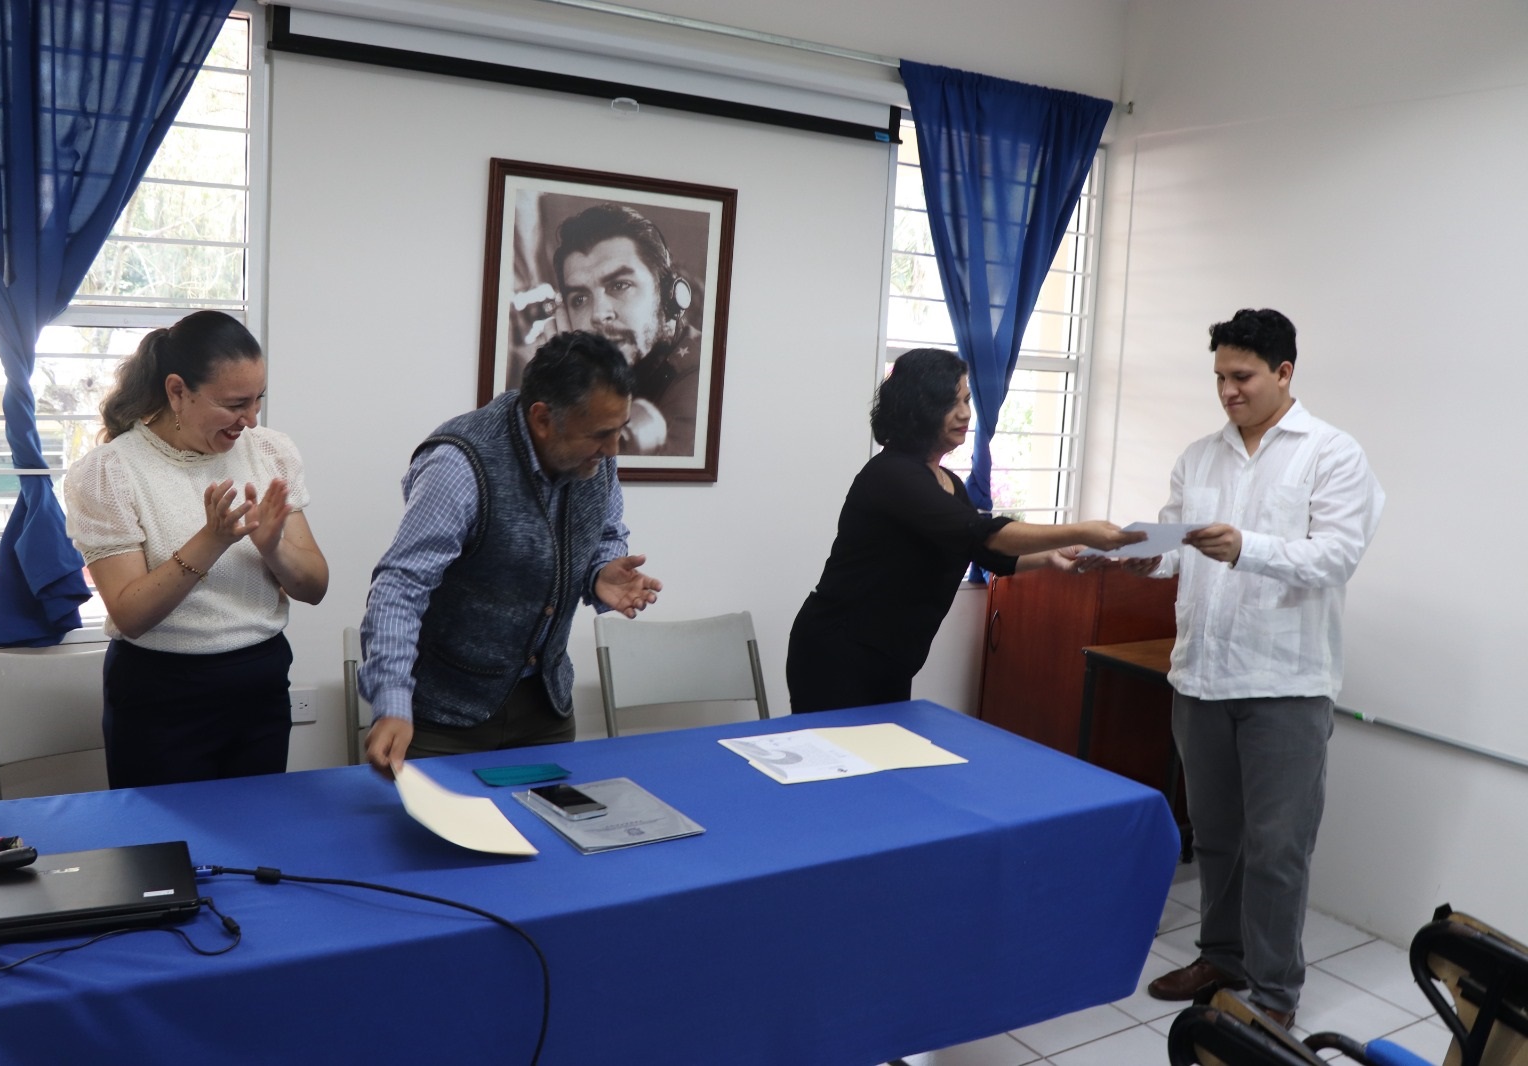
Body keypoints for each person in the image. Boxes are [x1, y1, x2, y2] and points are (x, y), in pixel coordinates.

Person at [1129, 309, 1384, 1028]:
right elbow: (1179, 545)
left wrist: (1247, 547)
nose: (1227, 391)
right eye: (1219, 377)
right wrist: (1147, 558)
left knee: (1277, 849)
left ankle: (1273, 995)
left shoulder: (1332, 454)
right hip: (1200, 677)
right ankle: (1221, 957)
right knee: (1216, 837)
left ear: (1284, 372)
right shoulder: (1199, 456)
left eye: (1241, 377)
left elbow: (1336, 557)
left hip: (1285, 684)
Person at [358, 330, 662, 778]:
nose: (614, 448)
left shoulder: (597, 453)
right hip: (443, 720)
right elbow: (400, 589)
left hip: (545, 710)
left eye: (620, 430)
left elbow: (607, 531)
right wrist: (392, 703)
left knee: (550, 823)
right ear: (542, 418)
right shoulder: (459, 464)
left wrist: (600, 569)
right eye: (601, 434)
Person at [785, 347, 1145, 714]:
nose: (965, 413)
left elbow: (987, 552)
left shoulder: (948, 484)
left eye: (967, 400)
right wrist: (1079, 531)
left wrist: (1052, 557)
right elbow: (982, 532)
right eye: (951, 402)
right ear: (918, 408)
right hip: (837, 654)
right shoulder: (891, 475)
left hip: (891, 657)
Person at [64, 310, 329, 788]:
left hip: (261, 683)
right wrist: (212, 540)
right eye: (235, 404)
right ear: (177, 392)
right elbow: (130, 615)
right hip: (161, 696)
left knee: (255, 827)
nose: (251, 420)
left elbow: (315, 588)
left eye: (259, 399)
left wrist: (273, 549)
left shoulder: (271, 452)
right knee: (165, 835)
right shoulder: (110, 472)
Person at [553, 202, 701, 457]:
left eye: (619, 285)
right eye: (580, 299)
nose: (598, 314)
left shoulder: (699, 379)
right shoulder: (609, 377)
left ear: (668, 295)